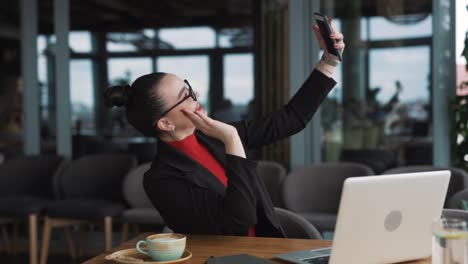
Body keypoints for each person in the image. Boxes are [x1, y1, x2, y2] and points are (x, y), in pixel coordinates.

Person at [103, 19, 345, 238]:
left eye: (188, 86)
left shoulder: (212, 137)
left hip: (268, 251)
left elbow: (291, 119)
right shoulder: (161, 180)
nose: (195, 94)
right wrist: (232, 140)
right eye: (184, 95)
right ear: (165, 124)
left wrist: (329, 61)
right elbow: (240, 219)